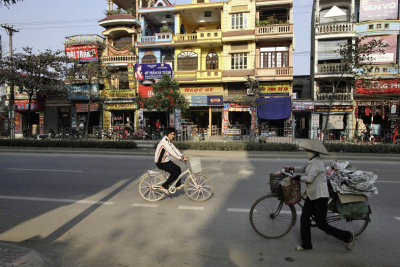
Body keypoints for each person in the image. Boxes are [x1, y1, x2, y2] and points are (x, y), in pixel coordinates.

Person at [287, 139, 355, 252]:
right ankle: (306, 245)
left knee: (322, 225)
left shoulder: (317, 164)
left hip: (320, 196)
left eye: (308, 150)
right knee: (304, 219)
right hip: (312, 194)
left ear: (314, 152)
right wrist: (292, 168)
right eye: (307, 150)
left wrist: (298, 178)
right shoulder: (312, 161)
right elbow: (304, 168)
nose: (306, 152)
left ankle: (348, 236)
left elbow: (309, 179)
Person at [154, 127, 188, 194]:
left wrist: (182, 156)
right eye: (171, 134)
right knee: (174, 173)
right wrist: (180, 158)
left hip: (165, 161)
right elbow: (171, 152)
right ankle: (164, 186)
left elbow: (174, 149)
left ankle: (178, 185)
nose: (173, 136)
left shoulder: (168, 141)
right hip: (160, 162)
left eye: (173, 134)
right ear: (167, 134)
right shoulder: (164, 142)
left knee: (178, 168)